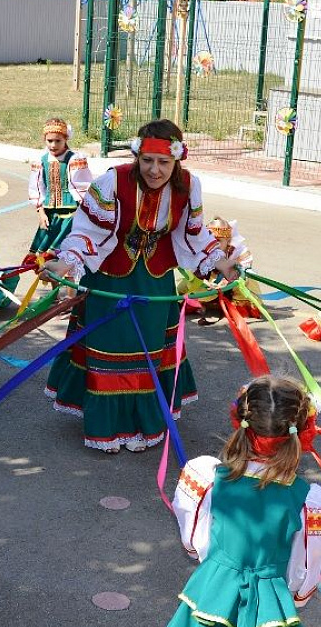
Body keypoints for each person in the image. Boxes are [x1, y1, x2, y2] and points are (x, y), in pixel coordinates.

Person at [108, 375, 321, 627]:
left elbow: (194, 542)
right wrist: (289, 596)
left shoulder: (207, 477)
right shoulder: (310, 501)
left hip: (212, 591)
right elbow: (303, 575)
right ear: (302, 432)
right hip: (269, 605)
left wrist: (221, 564)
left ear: (242, 422)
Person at [40, 119, 236, 453]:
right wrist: (65, 262)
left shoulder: (188, 186)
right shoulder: (112, 182)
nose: (155, 170)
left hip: (155, 284)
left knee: (147, 353)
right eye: (147, 160)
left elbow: (192, 233)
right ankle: (108, 427)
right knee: (111, 349)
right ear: (137, 156)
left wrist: (220, 262)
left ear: (177, 159)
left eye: (163, 162)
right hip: (110, 278)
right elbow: (87, 230)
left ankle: (141, 424)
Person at [27, 118, 93, 257]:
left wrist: (83, 211)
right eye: (49, 141)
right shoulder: (41, 160)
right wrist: (41, 213)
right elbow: (37, 187)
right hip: (50, 215)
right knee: (42, 254)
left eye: (58, 141)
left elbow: (82, 186)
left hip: (71, 213)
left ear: (66, 139)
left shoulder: (73, 159)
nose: (53, 145)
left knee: (63, 251)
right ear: (44, 139)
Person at [178, 217, 264, 324]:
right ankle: (200, 303)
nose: (214, 245)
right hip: (209, 282)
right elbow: (194, 271)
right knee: (193, 283)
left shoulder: (237, 251)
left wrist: (228, 280)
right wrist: (205, 282)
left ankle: (237, 305)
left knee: (247, 281)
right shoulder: (203, 251)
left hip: (232, 282)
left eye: (218, 241)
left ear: (228, 241)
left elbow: (244, 268)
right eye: (211, 241)